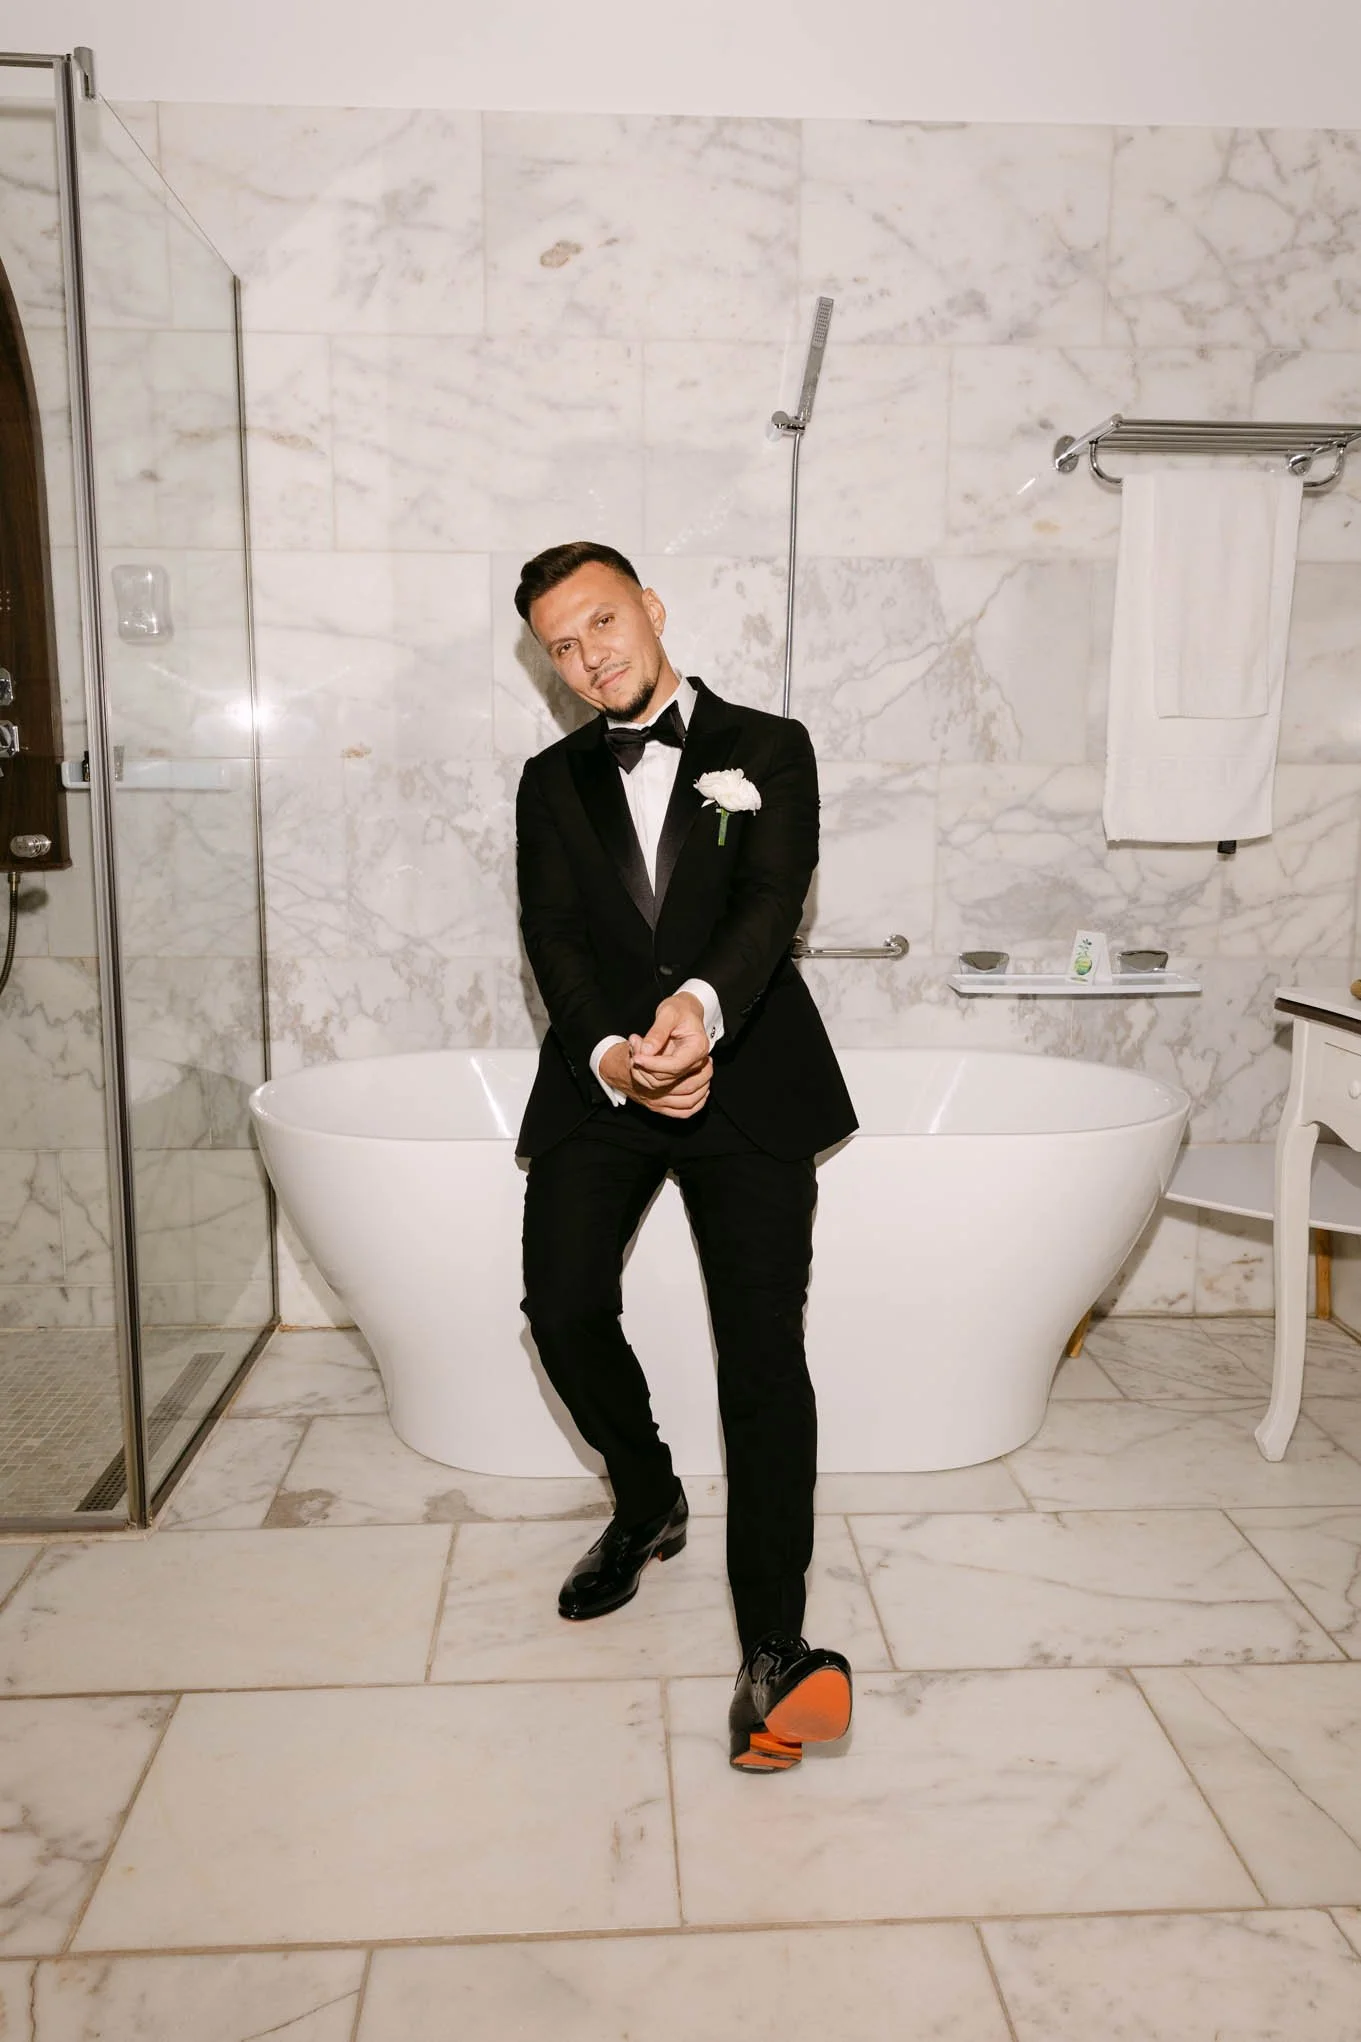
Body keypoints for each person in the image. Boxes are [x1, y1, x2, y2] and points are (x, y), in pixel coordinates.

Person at [513, 539, 858, 1773]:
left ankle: (772, 1653)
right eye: (560, 645)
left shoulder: (771, 746)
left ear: (652, 608)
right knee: (560, 1306)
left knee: (760, 1354)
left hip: (746, 1071)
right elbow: (552, 935)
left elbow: (770, 901)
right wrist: (614, 1055)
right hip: (607, 1079)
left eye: (602, 622)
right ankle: (647, 1492)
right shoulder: (548, 780)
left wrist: (698, 1010)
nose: (587, 655)